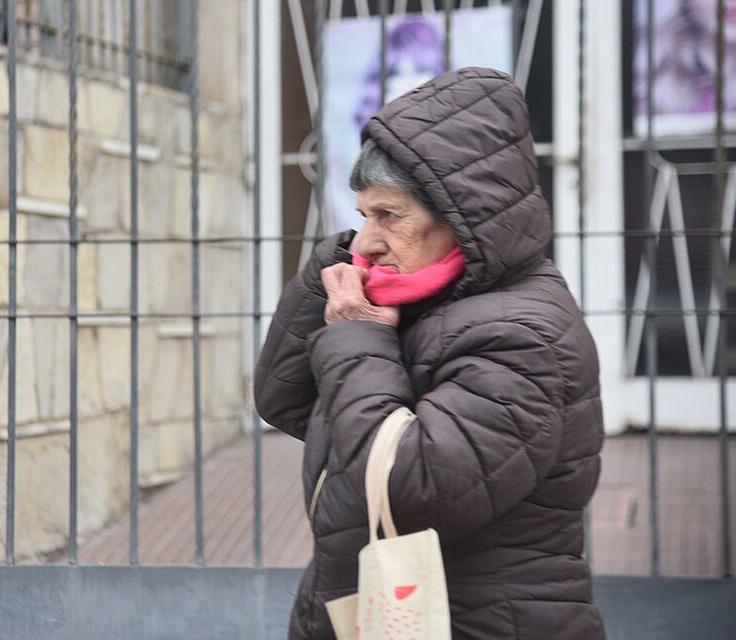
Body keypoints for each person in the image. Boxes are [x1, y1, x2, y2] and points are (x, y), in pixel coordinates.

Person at [254, 67, 605, 639]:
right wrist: (331, 274)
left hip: (478, 622)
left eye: (388, 216)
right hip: (378, 609)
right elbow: (285, 401)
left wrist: (357, 335)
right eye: (362, 216)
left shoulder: (524, 334)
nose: (367, 241)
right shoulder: (421, 296)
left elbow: (411, 487)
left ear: (462, 215)